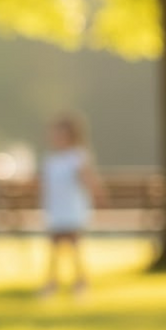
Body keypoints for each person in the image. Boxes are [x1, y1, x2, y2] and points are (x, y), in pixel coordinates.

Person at [39, 112, 102, 297]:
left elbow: (87, 178)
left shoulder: (78, 157)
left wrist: (97, 193)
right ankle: (51, 282)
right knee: (54, 248)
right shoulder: (51, 159)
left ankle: (80, 282)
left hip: (72, 208)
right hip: (56, 209)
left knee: (75, 247)